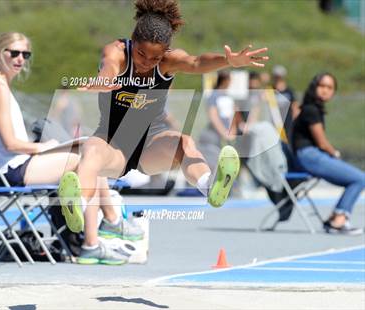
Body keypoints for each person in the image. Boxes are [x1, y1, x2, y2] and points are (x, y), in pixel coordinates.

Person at [58, 0, 269, 259]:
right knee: (90, 150)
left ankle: (211, 186)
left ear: (165, 53)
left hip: (151, 143)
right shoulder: (117, 51)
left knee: (184, 143)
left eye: (155, 57)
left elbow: (195, 62)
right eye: (141, 54)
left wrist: (227, 61)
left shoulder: (168, 61)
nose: (147, 62)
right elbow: (109, 66)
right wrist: (104, 81)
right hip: (113, 144)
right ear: (132, 43)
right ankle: (76, 206)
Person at [0, 32, 142, 265]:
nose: (20, 59)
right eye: (14, 53)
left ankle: (103, 229)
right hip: (10, 171)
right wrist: (43, 146)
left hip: (17, 164)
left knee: (92, 153)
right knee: (91, 160)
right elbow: (10, 143)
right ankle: (101, 233)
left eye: (25, 54)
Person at [292, 73, 365, 234]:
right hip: (309, 156)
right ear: (314, 87)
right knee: (360, 179)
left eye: (330, 87)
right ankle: (339, 219)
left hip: (310, 156)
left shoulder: (313, 108)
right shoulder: (311, 110)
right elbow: (322, 143)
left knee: (357, 179)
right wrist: (335, 154)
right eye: (322, 86)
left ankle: (335, 218)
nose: (325, 90)